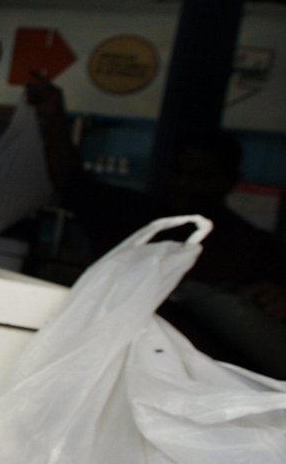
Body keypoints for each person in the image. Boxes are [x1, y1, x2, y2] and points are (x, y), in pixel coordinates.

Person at [26, 70, 286, 376]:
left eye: (200, 176)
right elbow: (70, 180)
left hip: (202, 389)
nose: (183, 184)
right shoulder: (134, 217)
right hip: (103, 371)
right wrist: (54, 117)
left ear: (230, 182)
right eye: (176, 172)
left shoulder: (255, 248)